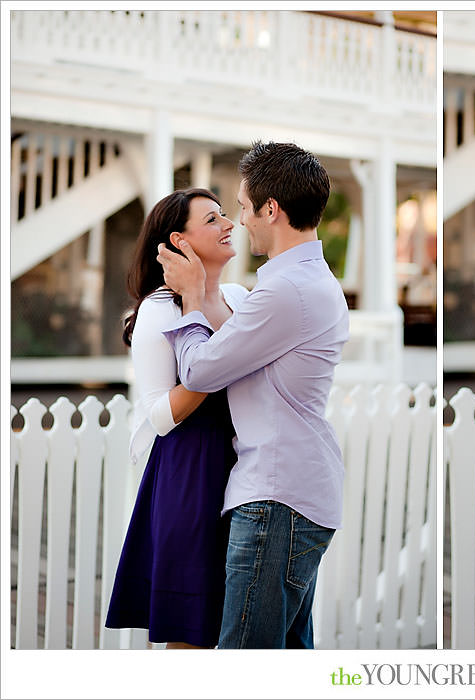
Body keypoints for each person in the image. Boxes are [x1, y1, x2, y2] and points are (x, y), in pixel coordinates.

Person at [157, 141, 349, 649]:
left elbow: (199, 369)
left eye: (243, 207)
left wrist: (194, 297)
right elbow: (239, 339)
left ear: (271, 209)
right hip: (295, 490)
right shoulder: (303, 282)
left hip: (276, 495)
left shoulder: (287, 291)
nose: (240, 221)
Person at [105, 188, 247, 649]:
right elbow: (160, 416)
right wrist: (197, 321)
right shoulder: (158, 310)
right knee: (190, 630)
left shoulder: (241, 299)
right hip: (190, 471)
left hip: (246, 468)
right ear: (179, 242)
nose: (228, 224)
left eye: (226, 215)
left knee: (239, 622)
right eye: (211, 220)